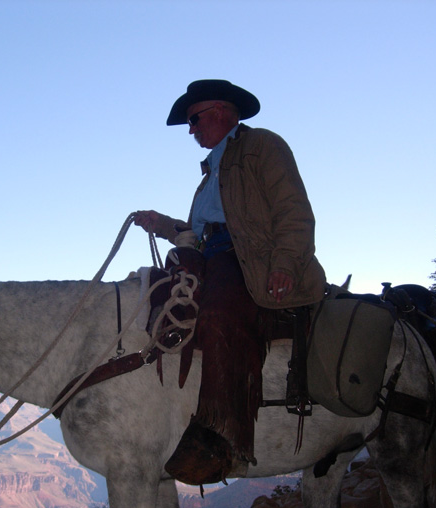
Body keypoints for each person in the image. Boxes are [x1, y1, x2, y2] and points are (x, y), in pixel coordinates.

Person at [135, 79, 327, 484]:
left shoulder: (262, 146)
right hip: (212, 253)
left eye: (194, 119)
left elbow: (293, 208)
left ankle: (223, 439)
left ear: (221, 110)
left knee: (219, 313)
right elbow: (201, 229)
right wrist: (164, 224)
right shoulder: (211, 174)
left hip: (249, 258)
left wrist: (286, 263)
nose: (191, 130)